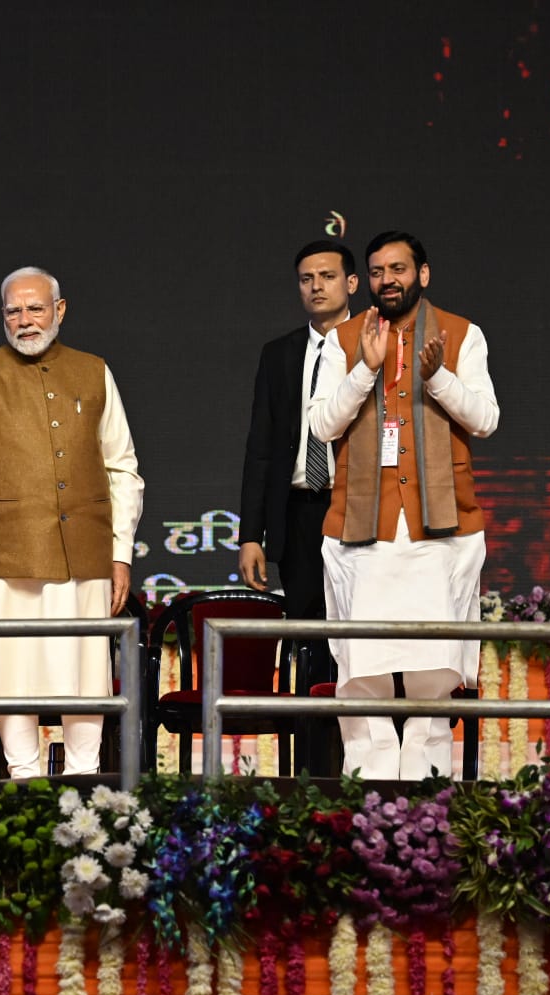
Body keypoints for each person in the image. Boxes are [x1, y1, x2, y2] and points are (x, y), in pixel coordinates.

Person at [0, 266, 144, 778]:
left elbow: (122, 467)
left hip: (83, 549)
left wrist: (120, 553)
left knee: (84, 674)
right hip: (1, 552)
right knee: (10, 673)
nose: (25, 320)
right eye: (14, 311)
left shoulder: (95, 370)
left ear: (59, 310)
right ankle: (22, 780)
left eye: (35, 308)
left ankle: (85, 780)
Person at [308, 231, 500, 779]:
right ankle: (366, 787)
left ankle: (425, 786)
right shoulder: (344, 339)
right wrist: (365, 368)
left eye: (398, 269)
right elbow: (322, 424)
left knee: (433, 668)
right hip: (363, 530)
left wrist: (438, 377)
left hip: (440, 533)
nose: (387, 280)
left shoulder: (462, 334)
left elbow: (485, 419)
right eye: (377, 272)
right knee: (363, 669)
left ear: (423, 274)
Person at [238, 239, 358, 768]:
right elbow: (260, 449)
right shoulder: (279, 353)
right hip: (299, 511)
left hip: (358, 510)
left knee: (356, 639)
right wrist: (251, 535)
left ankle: (363, 767)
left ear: (351, 283)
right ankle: (311, 772)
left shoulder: (372, 345)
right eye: (307, 278)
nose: (316, 286)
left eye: (327, 276)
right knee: (308, 642)